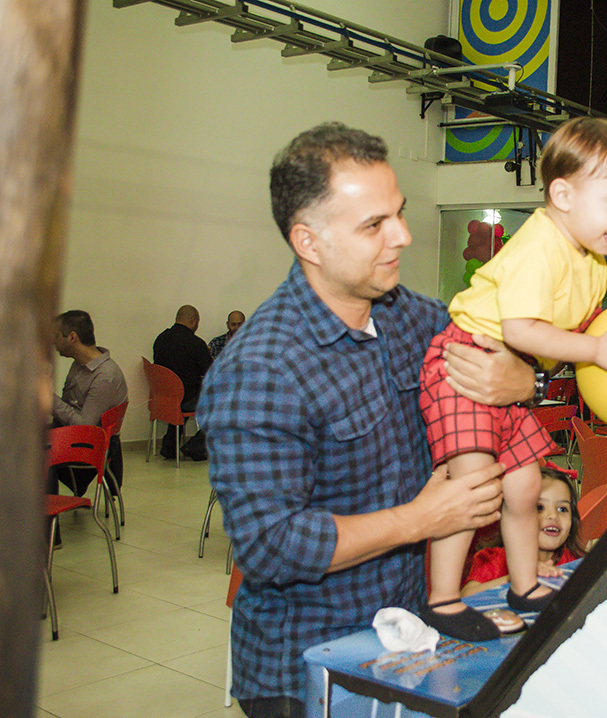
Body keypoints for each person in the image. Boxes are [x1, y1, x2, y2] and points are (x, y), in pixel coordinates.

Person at [198, 121, 539, 716]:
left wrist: (520, 375)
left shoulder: (410, 316)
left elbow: (492, 350)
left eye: (399, 213)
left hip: (408, 637)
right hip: (309, 662)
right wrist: (418, 519)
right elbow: (269, 544)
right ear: (309, 241)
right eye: (374, 225)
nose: (403, 236)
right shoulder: (262, 368)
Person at [418, 117, 607, 641]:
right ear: (563, 194)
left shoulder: (593, 261)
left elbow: (556, 334)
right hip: (464, 362)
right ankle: (441, 598)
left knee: (525, 484)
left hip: (508, 376)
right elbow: (522, 328)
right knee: (476, 486)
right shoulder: (541, 243)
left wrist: (601, 343)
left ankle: (523, 585)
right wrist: (597, 350)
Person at [49, 311, 129, 537]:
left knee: (36, 455)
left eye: (56, 336)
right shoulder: (80, 364)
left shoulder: (105, 376)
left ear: (72, 337)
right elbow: (69, 408)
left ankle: (48, 533)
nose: (52, 341)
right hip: (76, 435)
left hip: (93, 446)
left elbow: (85, 426)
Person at [461, 467, 586, 597]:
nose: (553, 516)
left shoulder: (574, 562)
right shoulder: (497, 560)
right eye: (539, 507)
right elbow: (466, 596)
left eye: (562, 509)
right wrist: (517, 577)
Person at [152, 304, 212, 459]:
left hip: (165, 398)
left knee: (180, 391)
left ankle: (169, 446)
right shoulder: (195, 343)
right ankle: (196, 446)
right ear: (193, 321)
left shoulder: (160, 339)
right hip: (185, 398)